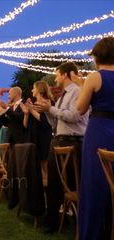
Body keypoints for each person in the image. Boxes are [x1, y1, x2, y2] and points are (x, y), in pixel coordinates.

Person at [35, 62, 89, 233]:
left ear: (65, 75)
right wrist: (46, 111)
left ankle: (77, 222)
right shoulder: (62, 96)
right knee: (54, 183)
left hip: (73, 143)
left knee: (71, 184)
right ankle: (52, 221)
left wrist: (50, 108)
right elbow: (56, 122)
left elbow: (74, 116)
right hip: (58, 140)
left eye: (57, 74)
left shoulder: (78, 91)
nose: (55, 77)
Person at [74, 37, 114, 240]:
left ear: (98, 56)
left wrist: (82, 85)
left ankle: (91, 234)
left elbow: (80, 109)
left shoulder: (94, 77)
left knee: (94, 185)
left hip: (99, 131)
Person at [20, 81, 54, 186]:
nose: (32, 90)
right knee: (36, 166)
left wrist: (32, 110)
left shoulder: (47, 102)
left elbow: (46, 123)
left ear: (39, 89)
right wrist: (26, 114)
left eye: (33, 88)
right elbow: (25, 125)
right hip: (32, 137)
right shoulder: (33, 104)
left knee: (45, 165)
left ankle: (49, 192)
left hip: (43, 138)